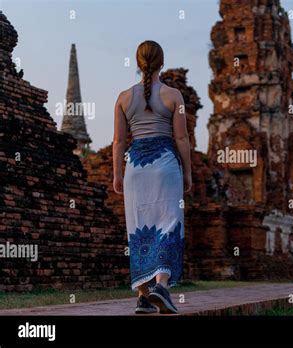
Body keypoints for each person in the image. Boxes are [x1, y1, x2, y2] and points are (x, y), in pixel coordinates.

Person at [112, 40, 192, 314]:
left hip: (135, 168)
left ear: (137, 63)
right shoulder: (174, 96)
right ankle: (162, 285)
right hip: (165, 166)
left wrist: (117, 174)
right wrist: (188, 171)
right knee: (168, 222)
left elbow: (119, 142)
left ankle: (143, 297)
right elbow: (181, 138)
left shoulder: (123, 98)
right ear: (162, 62)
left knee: (138, 228)